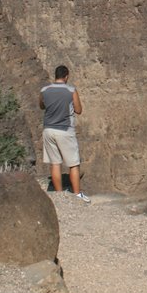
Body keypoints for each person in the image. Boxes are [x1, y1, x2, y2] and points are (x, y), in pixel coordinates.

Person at [39, 65, 89, 203]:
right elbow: (79, 110)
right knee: (73, 163)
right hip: (65, 130)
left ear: (55, 76)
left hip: (48, 130)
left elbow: (42, 106)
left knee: (55, 163)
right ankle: (77, 195)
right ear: (66, 76)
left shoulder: (44, 90)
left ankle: (59, 195)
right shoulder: (71, 90)